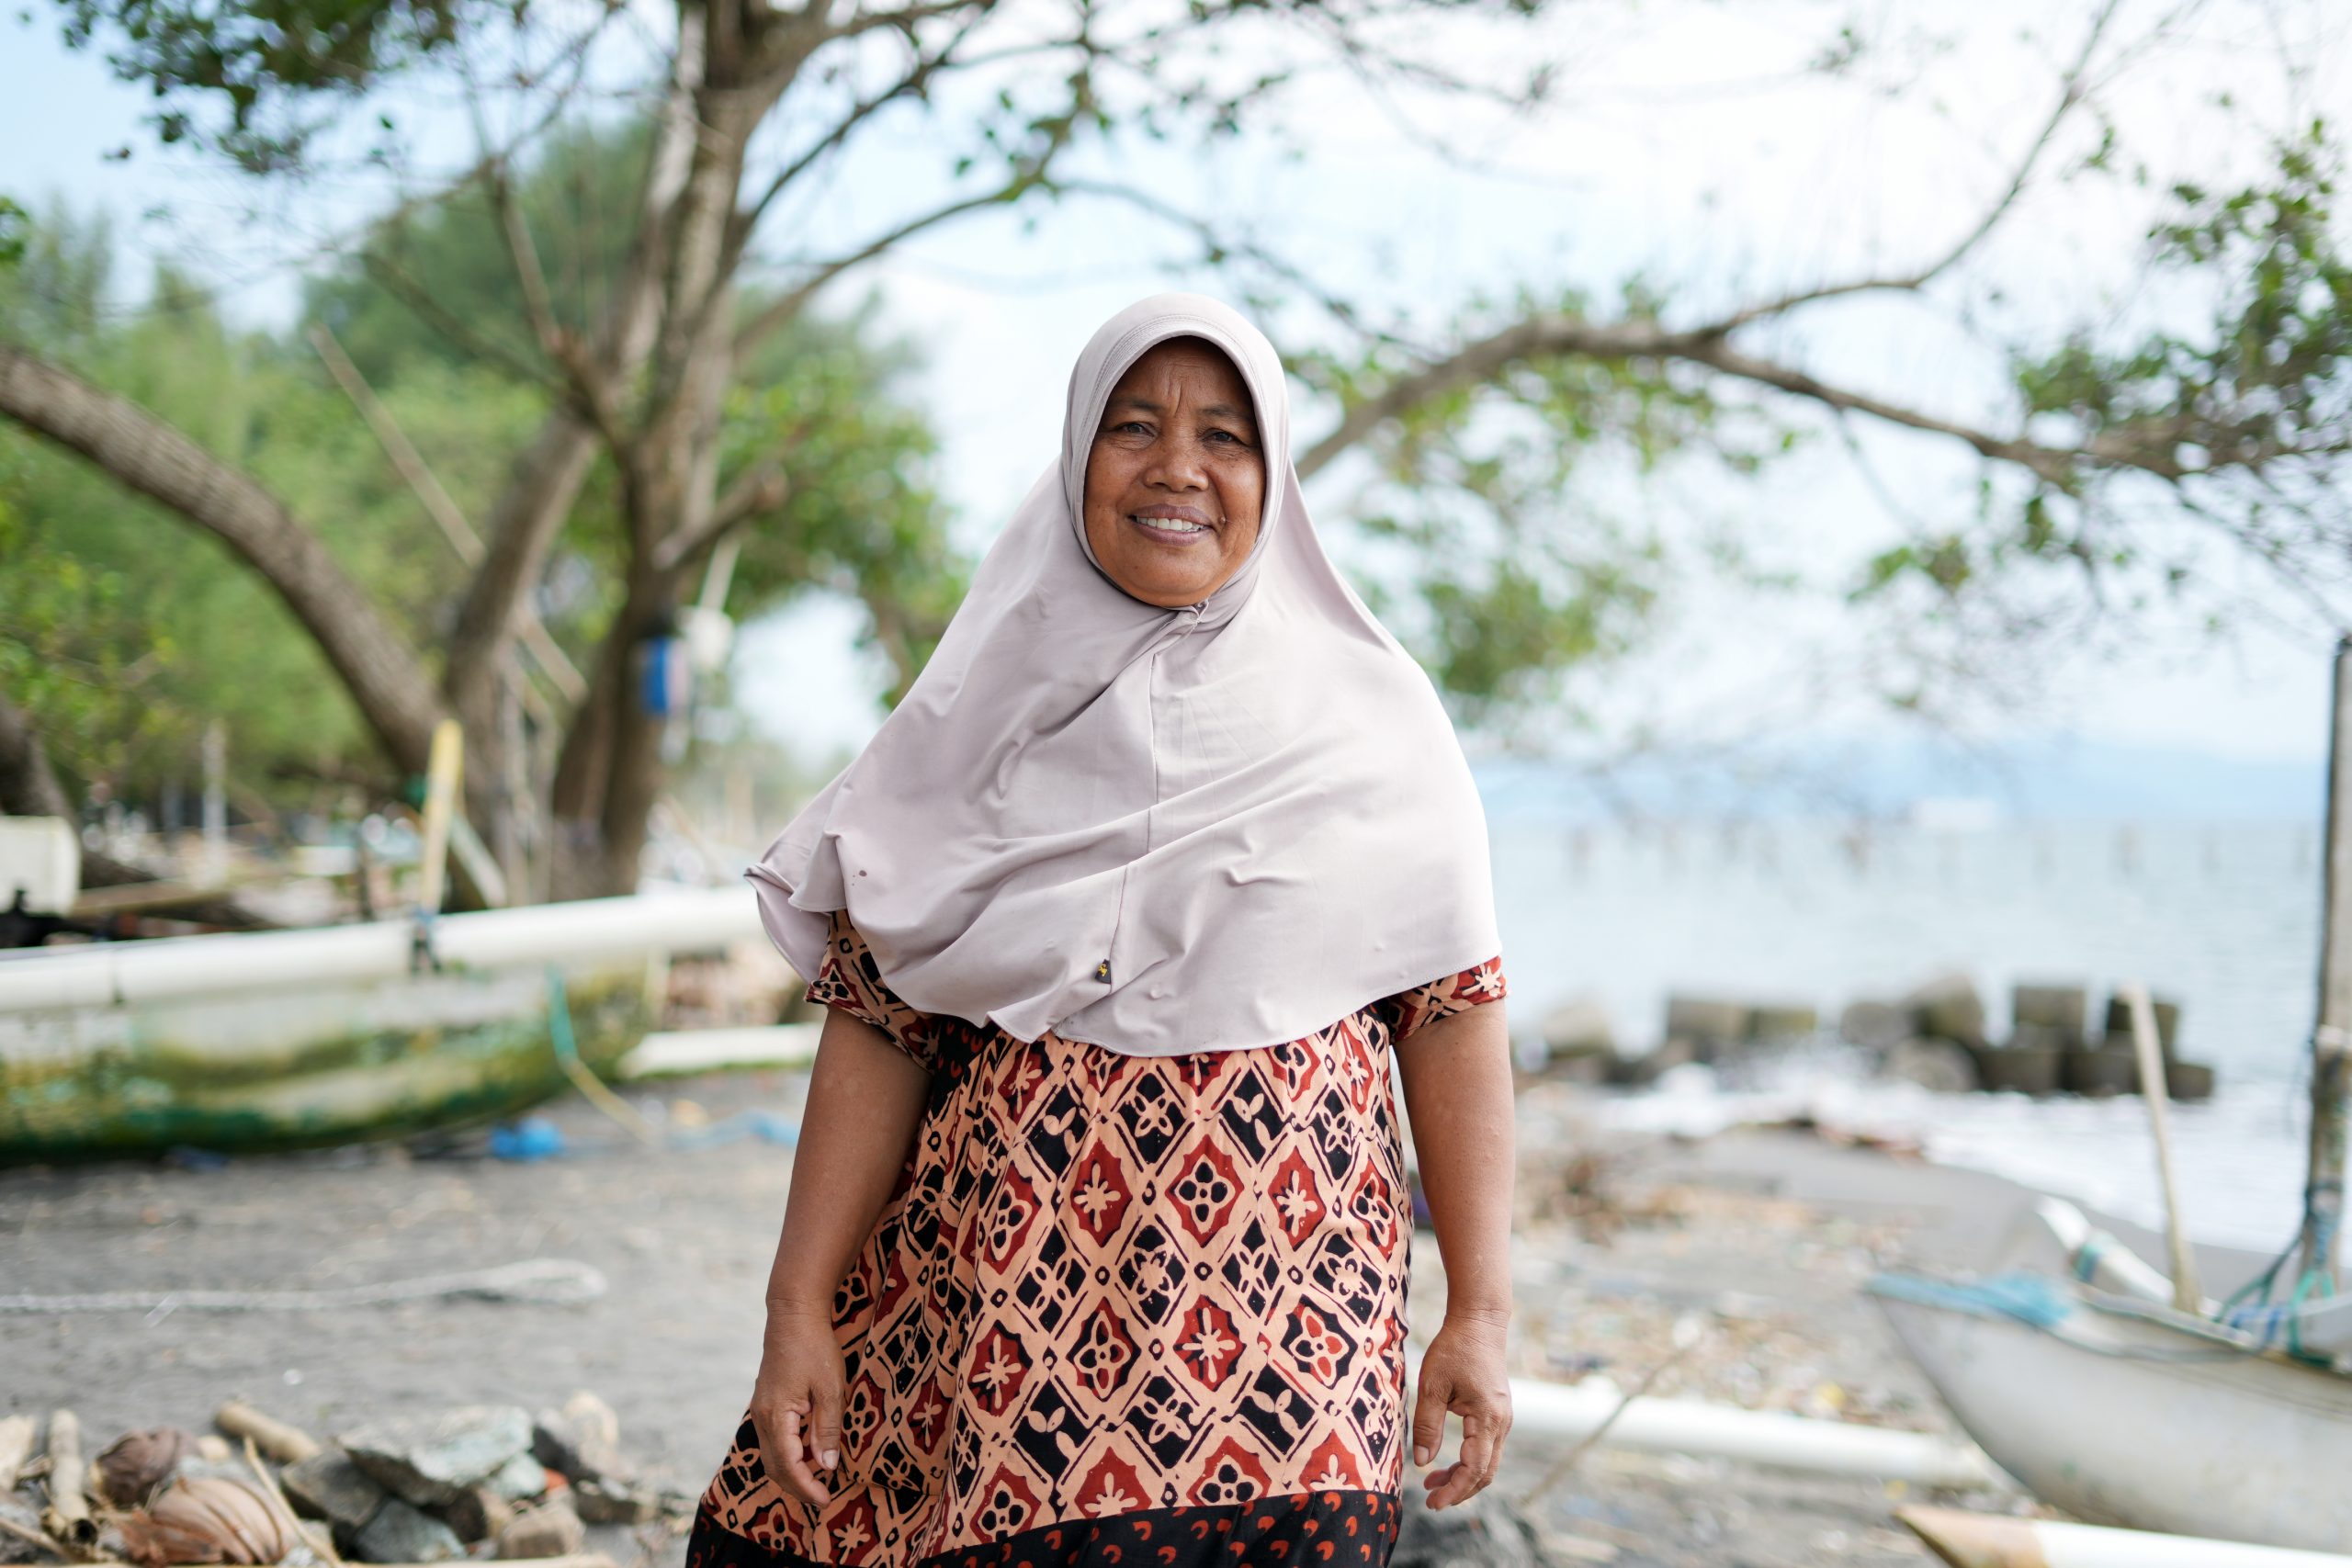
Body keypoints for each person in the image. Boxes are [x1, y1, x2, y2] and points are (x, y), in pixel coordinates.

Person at [685, 293, 1514, 1568]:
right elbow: (877, 1029)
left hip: (1296, 1337)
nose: (1177, 466)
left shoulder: (1376, 720)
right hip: (1010, 1324)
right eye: (1135, 426)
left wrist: (1481, 1312)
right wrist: (795, 1304)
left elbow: (1453, 1017)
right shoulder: (967, 720)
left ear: (1272, 473)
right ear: (1077, 455)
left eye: (1226, 436)